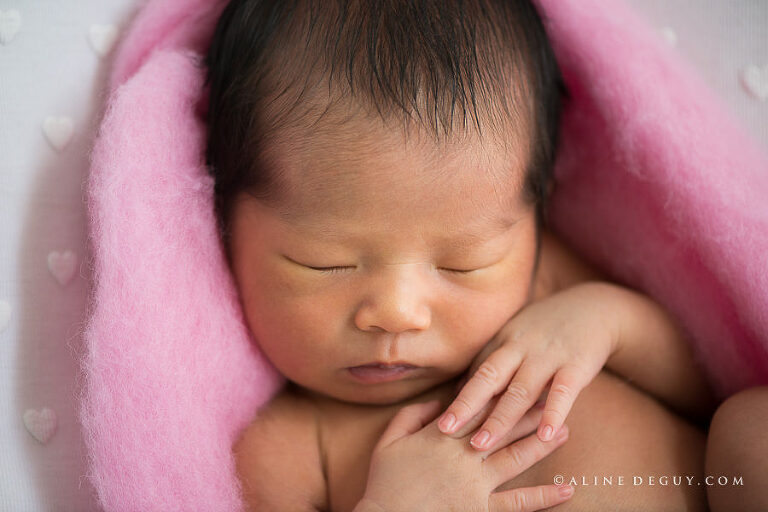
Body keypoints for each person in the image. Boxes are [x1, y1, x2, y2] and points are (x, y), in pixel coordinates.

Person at [203, 0, 764, 510]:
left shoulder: (542, 283)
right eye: (323, 262)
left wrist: (608, 321)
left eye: (461, 264)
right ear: (225, 224)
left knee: (750, 426)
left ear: (536, 217)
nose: (399, 313)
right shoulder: (288, 446)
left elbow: (707, 384)